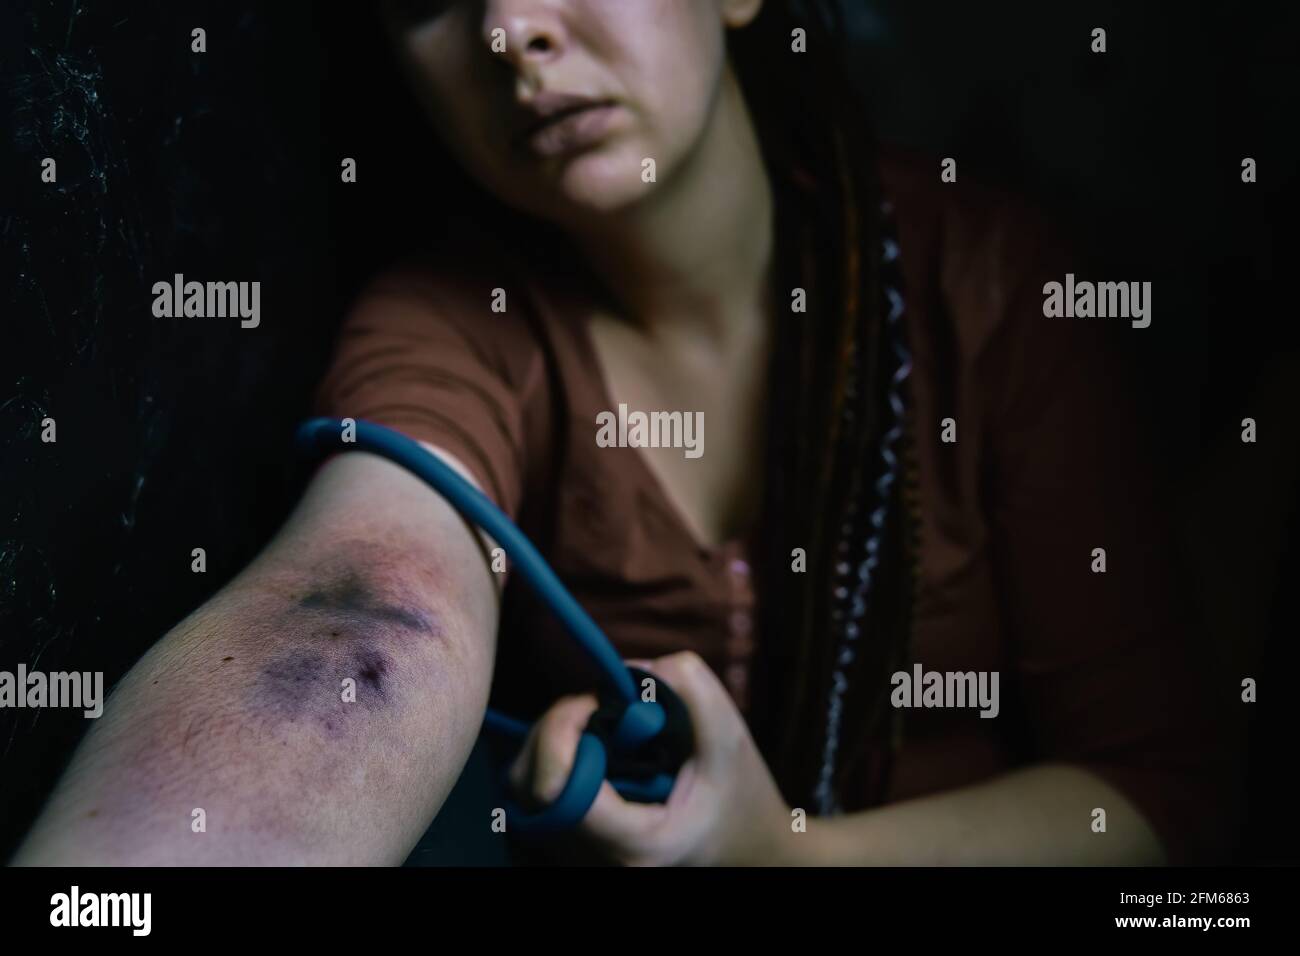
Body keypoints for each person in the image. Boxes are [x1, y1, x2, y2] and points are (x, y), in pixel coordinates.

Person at [14, 0, 1236, 866]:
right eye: (430, 2)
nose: (508, 29)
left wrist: (791, 860)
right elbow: (365, 607)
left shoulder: (993, 281)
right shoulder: (454, 321)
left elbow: (1156, 799)